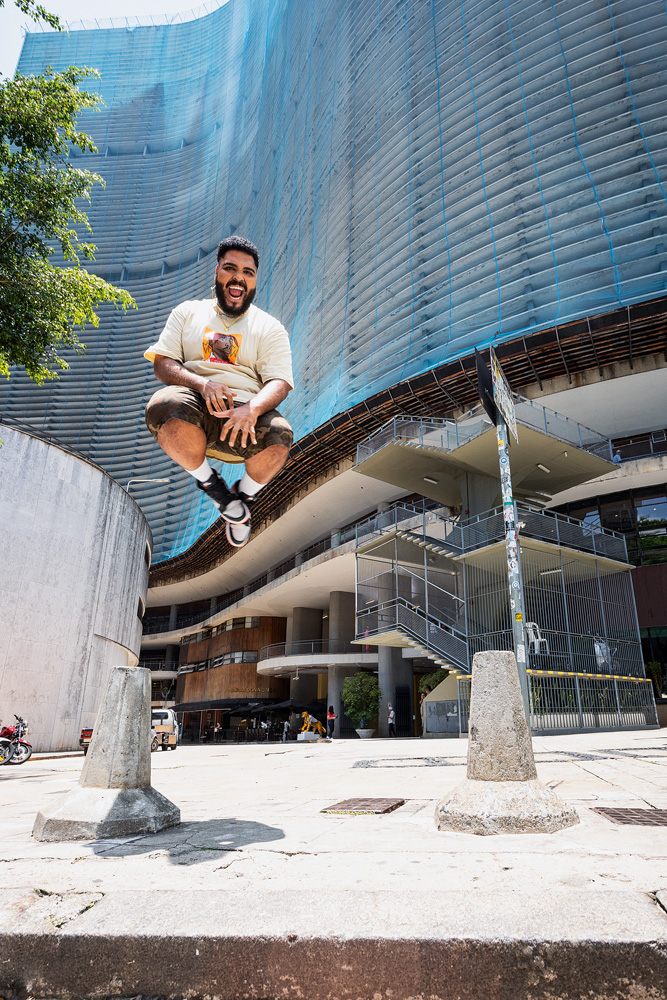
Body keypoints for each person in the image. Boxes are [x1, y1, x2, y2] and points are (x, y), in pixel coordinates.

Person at [144, 236, 294, 548]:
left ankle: (241, 500)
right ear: (217, 273)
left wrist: (251, 409)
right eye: (230, 268)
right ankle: (214, 488)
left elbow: (279, 382)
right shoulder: (188, 312)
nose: (239, 277)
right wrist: (201, 384)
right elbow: (163, 363)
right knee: (163, 405)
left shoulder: (270, 327)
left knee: (280, 436)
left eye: (248, 272)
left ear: (254, 280)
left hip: (245, 413)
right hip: (196, 405)